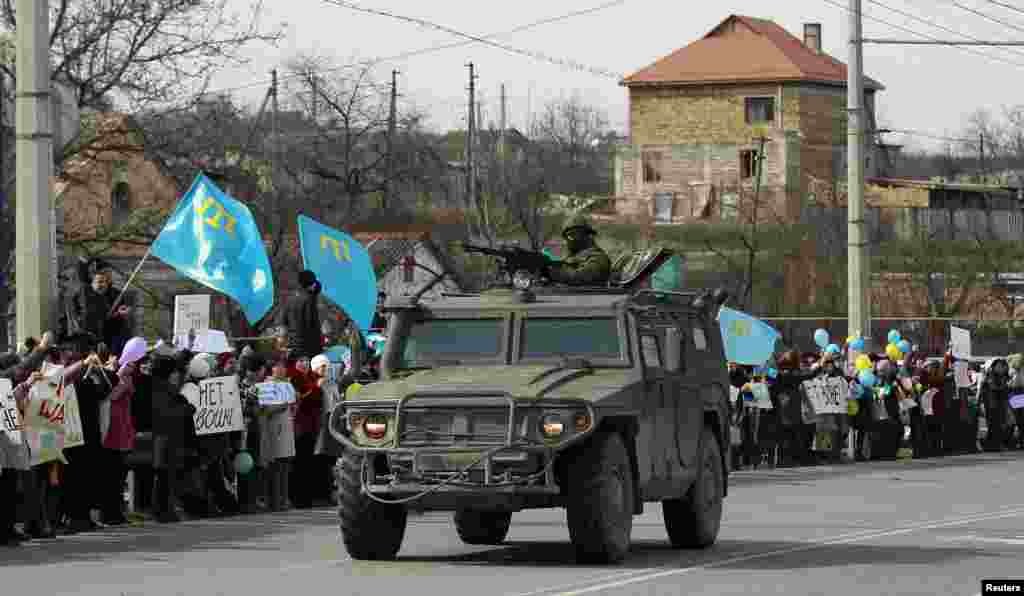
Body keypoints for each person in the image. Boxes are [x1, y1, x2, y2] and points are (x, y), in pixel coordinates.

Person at [545, 215, 611, 286]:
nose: (567, 240)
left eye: (571, 235)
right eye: (566, 237)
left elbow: (579, 277)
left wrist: (550, 272)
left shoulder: (599, 258)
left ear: (586, 235)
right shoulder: (572, 257)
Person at [281, 270, 323, 362]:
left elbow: (284, 322)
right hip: (309, 349)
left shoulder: (289, 299)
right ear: (310, 285)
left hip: (294, 347)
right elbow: (312, 326)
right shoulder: (309, 300)